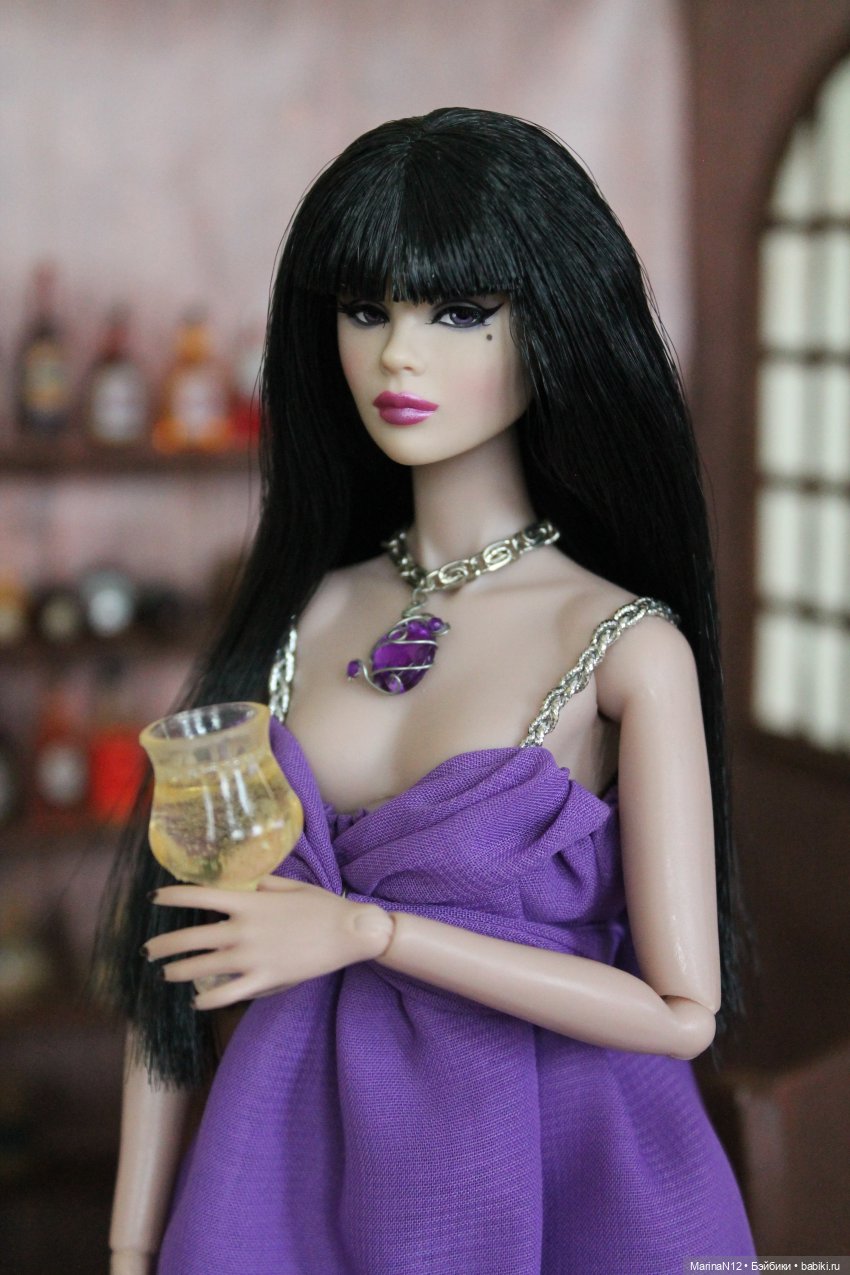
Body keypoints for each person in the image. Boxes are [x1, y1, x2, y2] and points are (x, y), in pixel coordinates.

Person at [102, 107, 755, 1274]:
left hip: (549, 1177)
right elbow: (174, 960)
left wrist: (371, 931)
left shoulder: (618, 644)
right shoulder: (298, 614)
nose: (398, 356)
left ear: (554, 321)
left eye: (458, 312)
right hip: (290, 1172)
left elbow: (679, 1012)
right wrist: (128, 1244)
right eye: (367, 310)